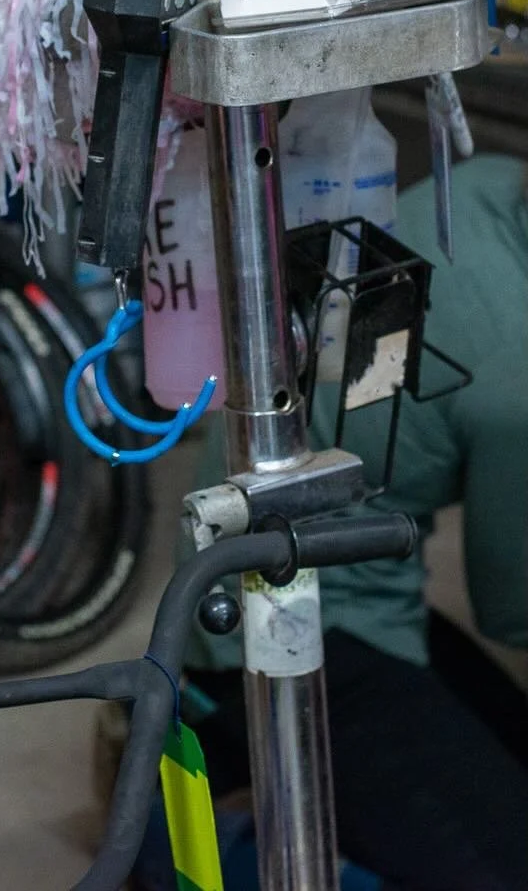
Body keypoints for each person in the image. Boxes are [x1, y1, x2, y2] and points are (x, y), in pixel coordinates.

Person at [181, 154, 528, 891]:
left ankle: (215, 735)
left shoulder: (489, 183)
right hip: (306, 616)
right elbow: (516, 610)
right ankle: (211, 783)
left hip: (236, 540)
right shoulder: (517, 384)